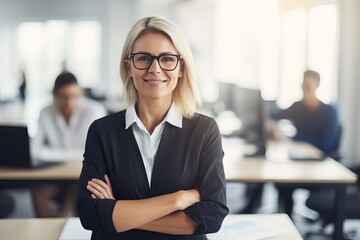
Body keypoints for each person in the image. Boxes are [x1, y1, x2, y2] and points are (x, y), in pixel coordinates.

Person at [76, 16, 229, 239]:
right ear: (129, 66)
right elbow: (90, 214)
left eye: (167, 59)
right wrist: (176, 200)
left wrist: (118, 211)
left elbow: (213, 215)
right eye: (143, 58)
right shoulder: (102, 131)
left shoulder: (204, 130)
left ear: (181, 68)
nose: (155, 69)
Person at [32, 72, 107, 218]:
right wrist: (75, 154)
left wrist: (51, 153)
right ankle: (49, 232)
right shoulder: (45, 112)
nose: (69, 102)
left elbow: (96, 153)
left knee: (76, 187)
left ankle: (65, 223)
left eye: (74, 96)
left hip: (83, 176)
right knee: (38, 190)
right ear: (54, 96)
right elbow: (34, 150)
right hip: (57, 175)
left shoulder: (94, 112)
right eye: (63, 97)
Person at [271, 70, 341, 217]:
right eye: (303, 86)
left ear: (317, 86)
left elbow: (325, 145)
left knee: (284, 181)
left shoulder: (330, 112)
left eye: (308, 86)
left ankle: (287, 219)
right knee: (280, 179)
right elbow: (274, 114)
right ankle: (286, 219)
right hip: (301, 163)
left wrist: (293, 136)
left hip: (322, 169)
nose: (305, 90)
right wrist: (270, 125)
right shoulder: (298, 107)